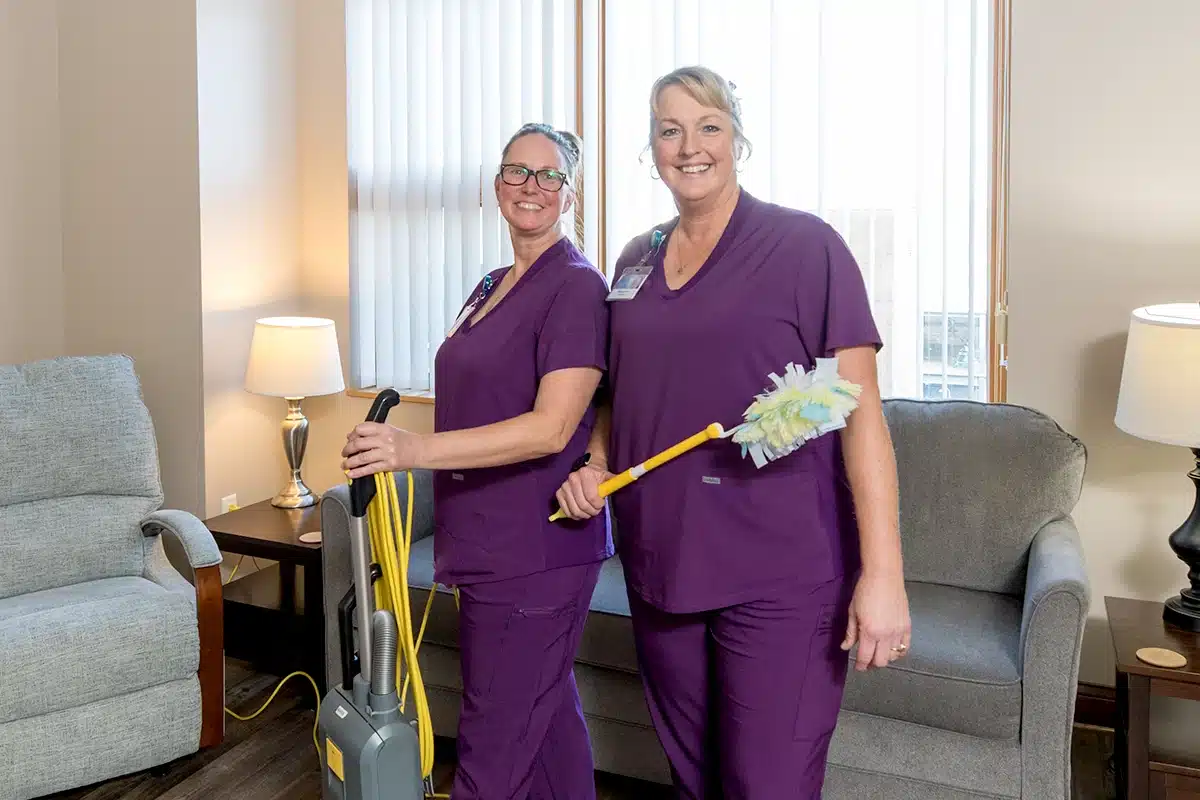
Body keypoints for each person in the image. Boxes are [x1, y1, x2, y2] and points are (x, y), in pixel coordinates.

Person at [554, 66, 911, 798]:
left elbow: (861, 413)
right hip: (663, 566)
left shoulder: (807, 249)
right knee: (695, 780)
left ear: (737, 140)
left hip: (781, 574)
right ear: (651, 147)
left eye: (708, 126)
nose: (690, 146)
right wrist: (594, 459)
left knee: (767, 784)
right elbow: (620, 395)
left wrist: (884, 577)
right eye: (669, 128)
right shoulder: (635, 259)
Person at [342, 122, 612, 800]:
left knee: (491, 746)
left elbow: (552, 429)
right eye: (517, 172)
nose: (532, 187)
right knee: (547, 728)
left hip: (537, 549)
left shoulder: (576, 288)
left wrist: (413, 450)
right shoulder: (492, 282)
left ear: (570, 196)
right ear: (497, 186)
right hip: (486, 540)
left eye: (550, 176)